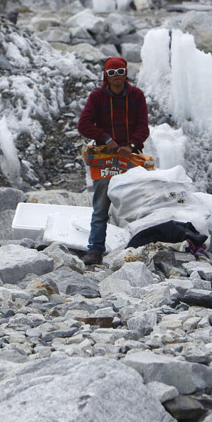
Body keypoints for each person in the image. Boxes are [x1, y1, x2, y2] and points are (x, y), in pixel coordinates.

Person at [77, 56, 150, 266]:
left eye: (120, 72)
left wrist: (131, 144)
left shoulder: (136, 96)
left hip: (130, 157)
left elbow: (143, 127)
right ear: (105, 76)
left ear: (127, 73)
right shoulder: (97, 97)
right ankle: (95, 250)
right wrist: (106, 138)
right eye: (111, 73)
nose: (116, 77)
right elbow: (84, 124)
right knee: (101, 205)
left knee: (135, 204)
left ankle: (137, 249)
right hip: (105, 158)